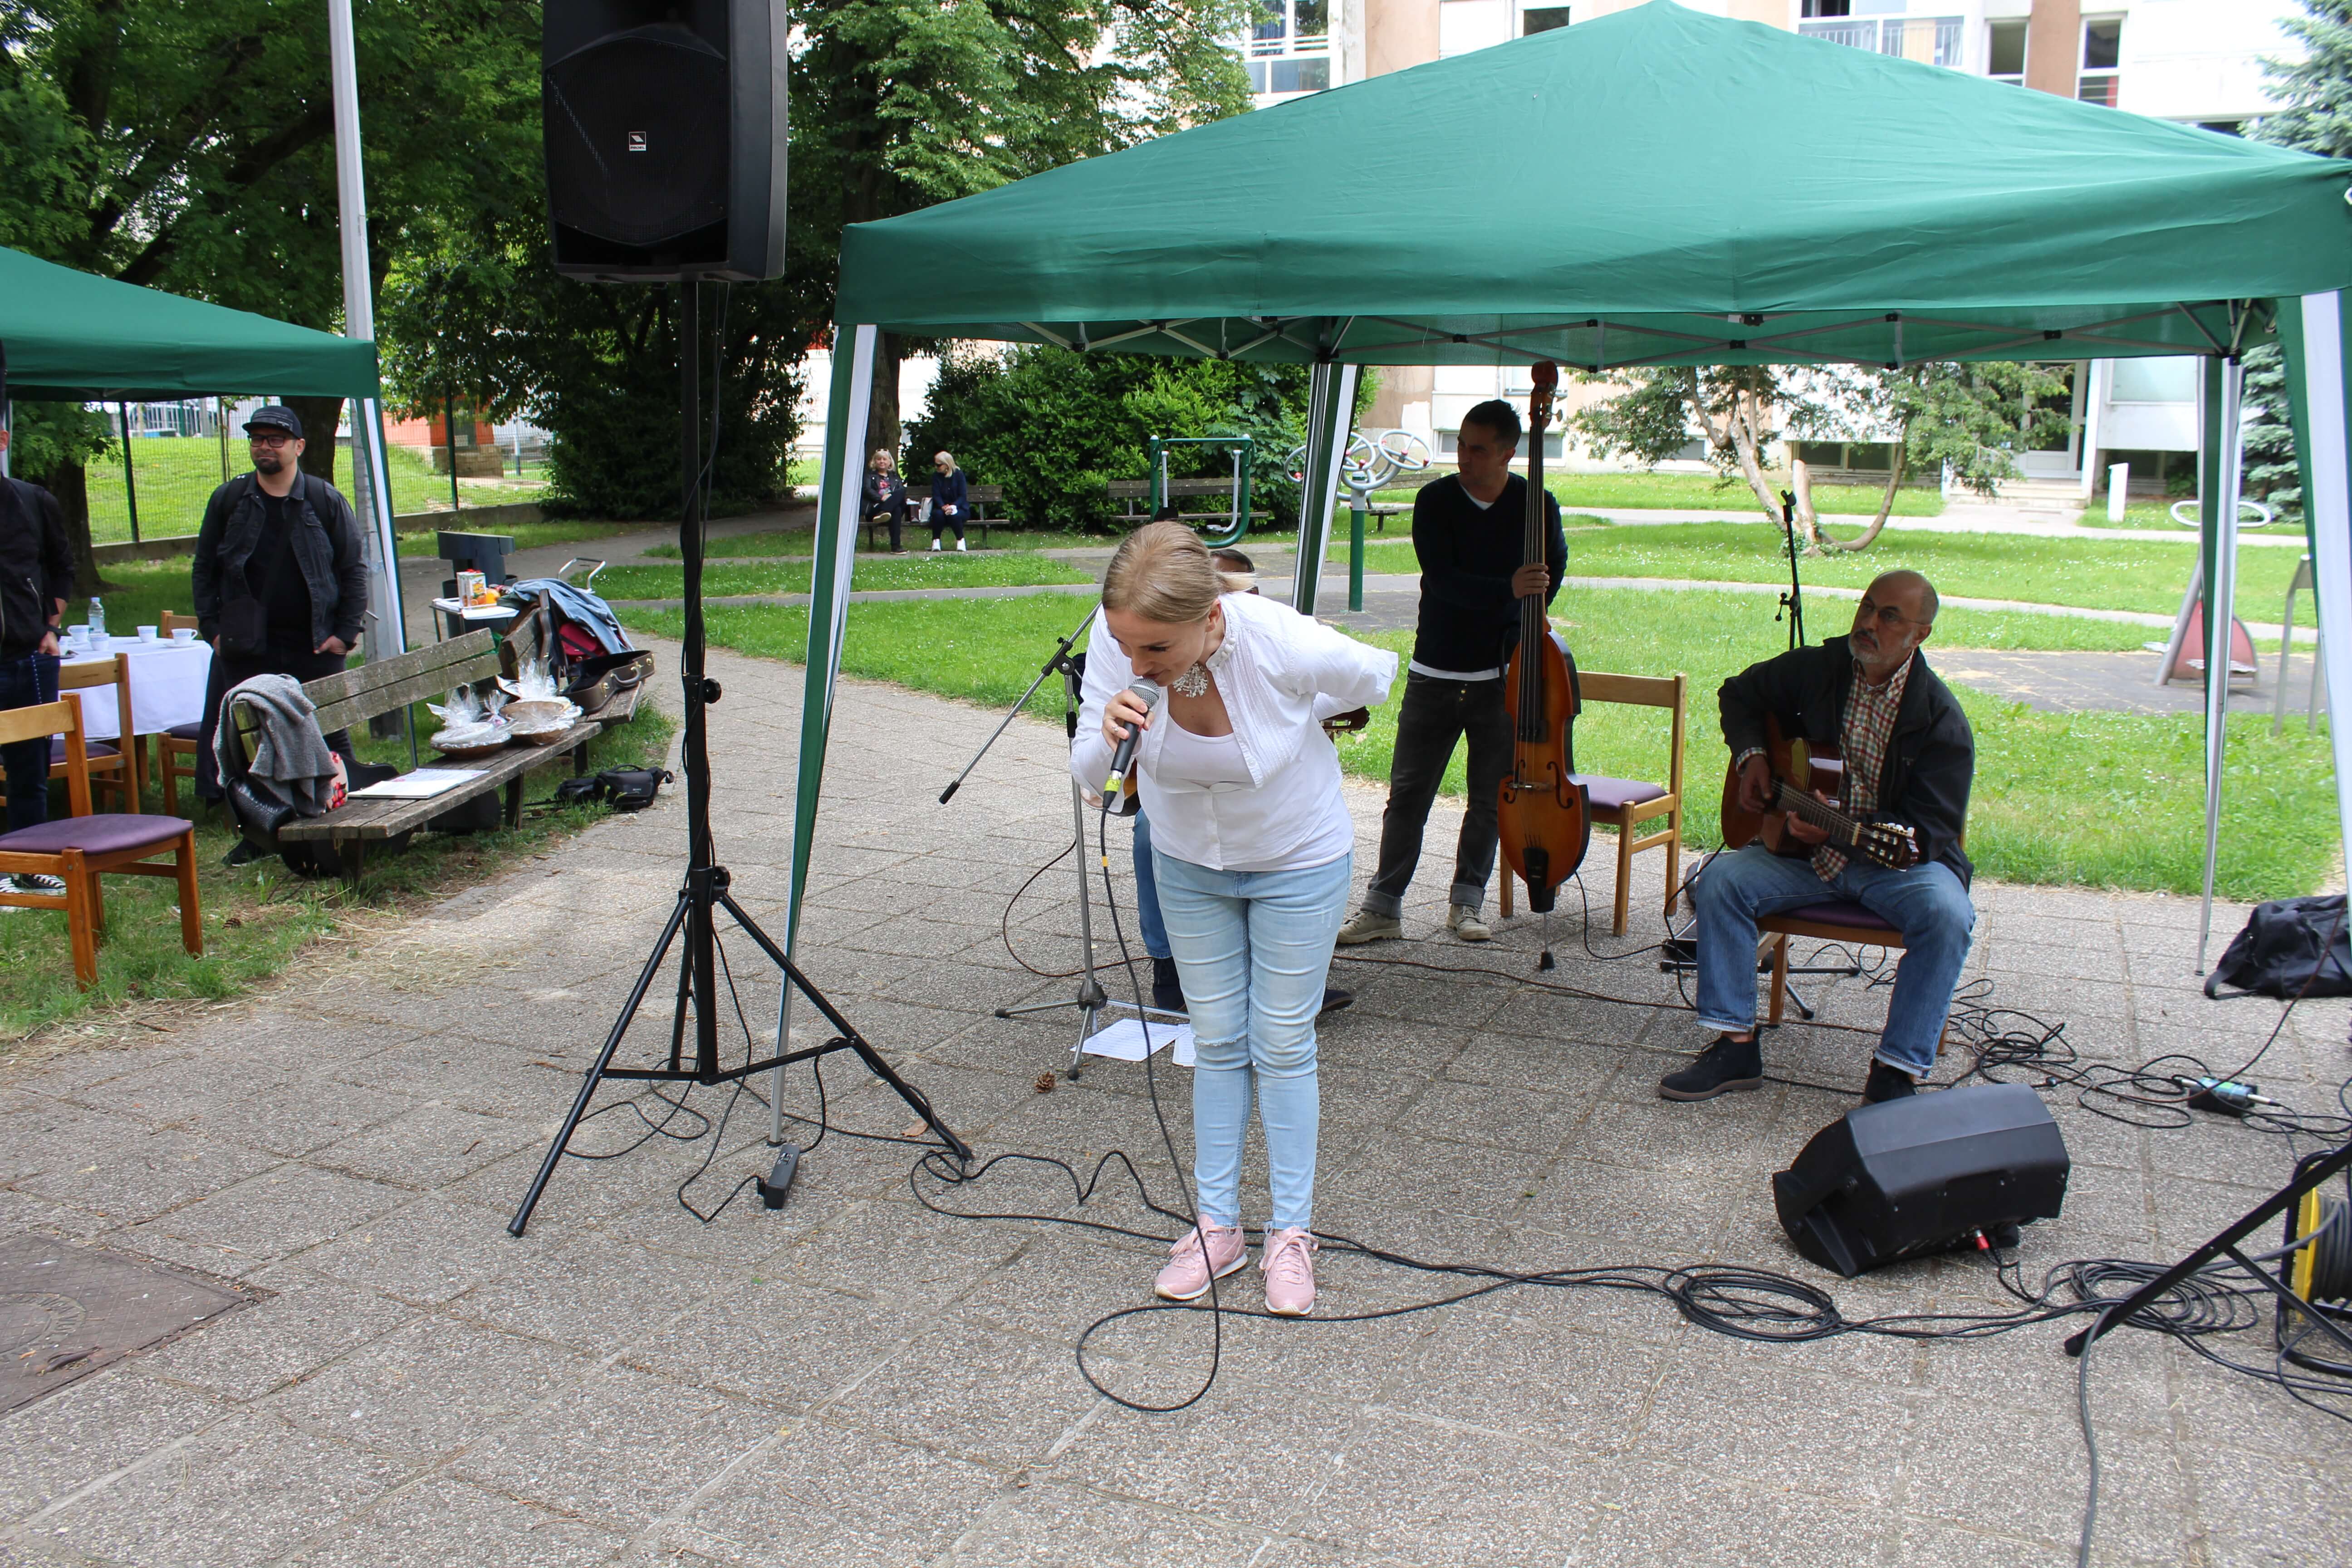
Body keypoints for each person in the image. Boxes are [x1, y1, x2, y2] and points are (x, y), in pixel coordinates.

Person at [1074, 521, 1395, 1316]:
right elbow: (1088, 770)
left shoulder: (1272, 638)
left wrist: (1308, 706)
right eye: (1124, 645)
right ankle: (1215, 1226)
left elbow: (1375, 675)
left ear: (1209, 617)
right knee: (1214, 1039)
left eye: (1155, 650)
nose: (1135, 663)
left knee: (1282, 1040)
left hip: (1296, 859)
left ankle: (1291, 1234)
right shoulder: (1119, 645)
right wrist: (1107, 732)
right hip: (1187, 864)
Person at [1661, 569, 1975, 1106]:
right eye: (1868, 607)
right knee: (1721, 883)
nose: (1870, 623)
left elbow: (1931, 833)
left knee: (1948, 917)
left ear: (1919, 634)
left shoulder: (1940, 720)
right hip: (1802, 856)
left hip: (1893, 865)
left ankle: (1895, 1073)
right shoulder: (1821, 669)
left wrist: (1846, 835)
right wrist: (1753, 757)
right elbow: (1738, 694)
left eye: (1889, 616)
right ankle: (1736, 1044)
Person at [1337, 398, 1565, 947]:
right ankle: (1383, 907)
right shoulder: (1435, 500)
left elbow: (1550, 570)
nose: (1464, 456)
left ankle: (1467, 904)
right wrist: (1508, 593)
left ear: (1510, 453)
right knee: (1409, 794)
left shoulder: (1538, 504)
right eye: (1461, 444)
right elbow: (1443, 581)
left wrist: (1523, 613)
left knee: (1490, 797)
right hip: (1435, 668)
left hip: (1503, 676)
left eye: (1478, 448)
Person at [190, 406, 371, 831]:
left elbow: (353, 568)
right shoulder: (229, 500)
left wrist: (345, 634)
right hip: (245, 645)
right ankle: (255, 827)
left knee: (329, 729)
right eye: (258, 439)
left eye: (276, 439)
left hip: (315, 642)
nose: (265, 447)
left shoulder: (324, 499)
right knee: (243, 739)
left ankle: (347, 811)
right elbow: (204, 569)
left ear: (298, 446)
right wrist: (213, 631)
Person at [0, 423, 72, 903]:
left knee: (30, 770)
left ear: (3, 440)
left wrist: (50, 626)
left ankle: (31, 868)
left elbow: (63, 566)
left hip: (28, 657)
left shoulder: (31, 501)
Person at [862, 449, 911, 554]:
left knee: (901, 495)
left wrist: (889, 497)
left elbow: (900, 493)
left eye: (885, 459)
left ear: (890, 462)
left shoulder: (895, 477)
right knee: (896, 510)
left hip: (889, 512)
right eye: (879, 459)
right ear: (875, 462)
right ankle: (896, 547)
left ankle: (885, 512)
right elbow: (867, 490)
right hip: (875, 509)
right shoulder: (869, 476)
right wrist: (881, 498)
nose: (882, 461)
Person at [929, 451, 969, 552]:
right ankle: (936, 541)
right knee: (938, 515)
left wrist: (953, 507)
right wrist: (943, 506)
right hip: (941, 508)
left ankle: (960, 540)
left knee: (955, 515)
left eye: (939, 465)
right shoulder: (936, 477)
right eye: (936, 465)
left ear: (947, 465)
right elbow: (936, 495)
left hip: (959, 508)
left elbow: (962, 496)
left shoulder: (959, 475)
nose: (937, 467)